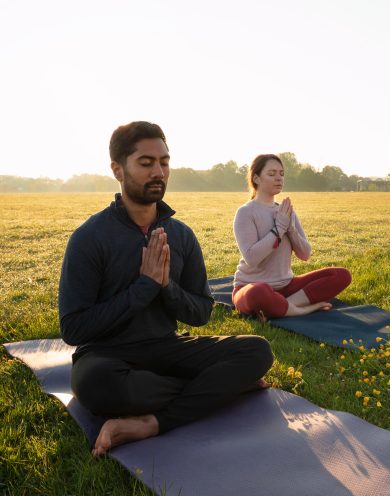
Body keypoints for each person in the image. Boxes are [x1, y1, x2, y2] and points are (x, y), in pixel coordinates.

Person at [59, 121, 273, 456]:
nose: (158, 171)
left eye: (164, 162)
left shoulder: (182, 235)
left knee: (257, 351)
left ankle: (152, 422)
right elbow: (74, 328)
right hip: (109, 356)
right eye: (146, 163)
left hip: (168, 349)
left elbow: (201, 312)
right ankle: (220, 388)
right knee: (95, 385)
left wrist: (165, 287)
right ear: (118, 169)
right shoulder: (90, 238)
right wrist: (143, 287)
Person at [232, 154, 352, 319]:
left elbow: (305, 254)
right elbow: (252, 258)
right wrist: (278, 229)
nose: (279, 178)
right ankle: (300, 309)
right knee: (259, 292)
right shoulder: (246, 212)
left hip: (286, 286)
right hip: (250, 286)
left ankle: (284, 305)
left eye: (281, 174)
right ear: (256, 178)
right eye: (272, 174)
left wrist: (291, 229)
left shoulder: (286, 211)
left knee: (341, 275)